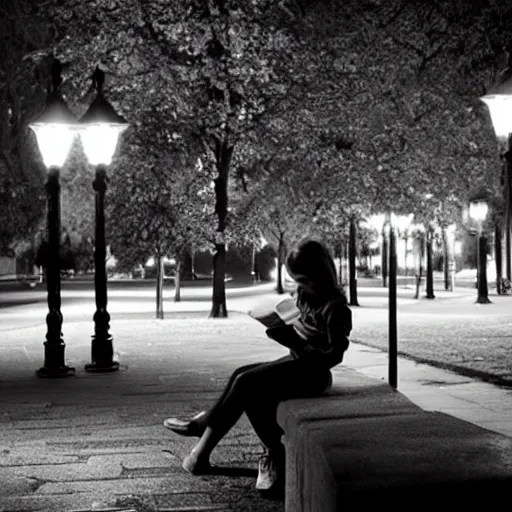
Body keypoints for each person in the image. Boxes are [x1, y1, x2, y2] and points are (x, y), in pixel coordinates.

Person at [163, 237, 352, 493]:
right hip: (296, 363)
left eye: (305, 280)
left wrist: (295, 342)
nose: (301, 286)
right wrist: (285, 332)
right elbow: (299, 333)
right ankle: (200, 454)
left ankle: (214, 434)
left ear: (321, 274)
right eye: (296, 280)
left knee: (249, 386)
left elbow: (331, 357)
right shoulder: (305, 297)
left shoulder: (336, 308)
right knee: (240, 373)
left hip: (314, 375)